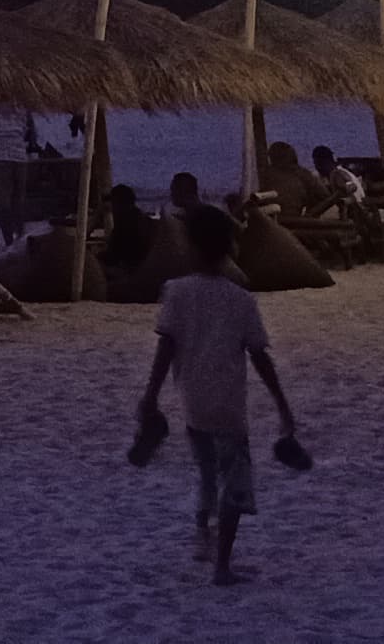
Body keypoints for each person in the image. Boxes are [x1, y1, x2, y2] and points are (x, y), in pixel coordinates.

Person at [139, 202, 303, 586]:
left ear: (191, 247)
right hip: (228, 405)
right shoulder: (240, 299)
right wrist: (282, 406)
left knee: (207, 472)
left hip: (193, 401)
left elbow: (166, 348)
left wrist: (151, 396)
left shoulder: (176, 292)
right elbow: (259, 356)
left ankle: (202, 535)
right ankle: (222, 565)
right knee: (236, 482)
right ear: (229, 247)